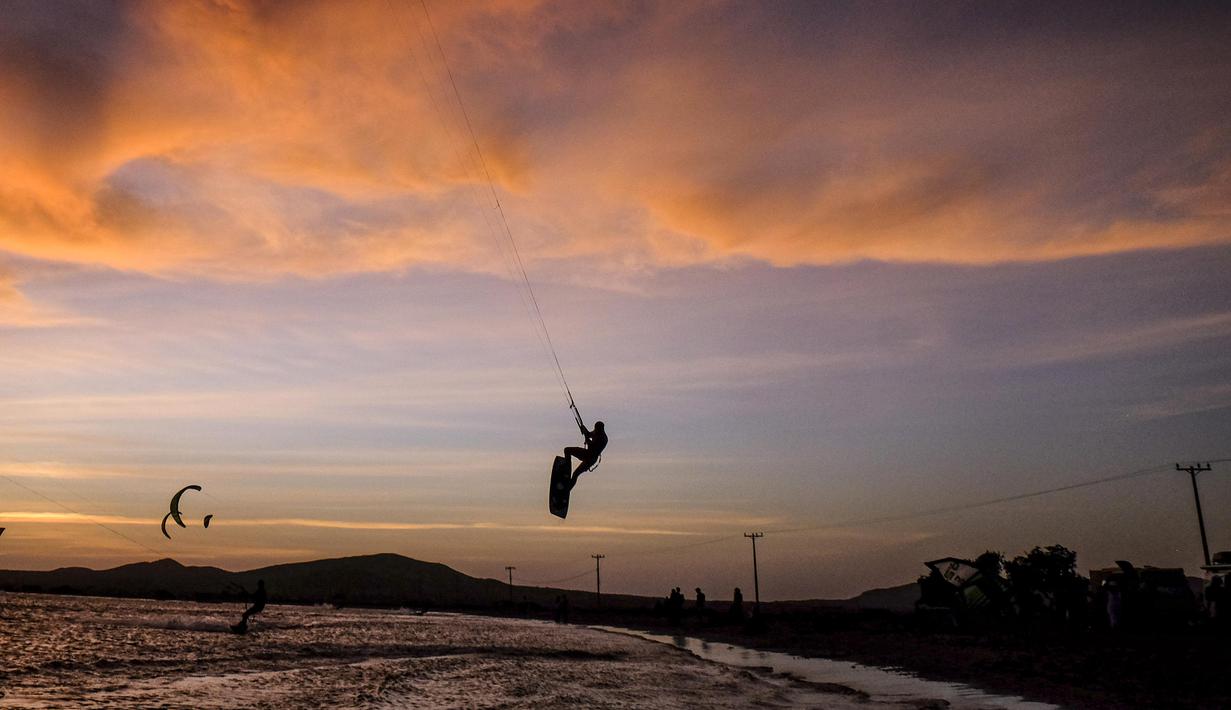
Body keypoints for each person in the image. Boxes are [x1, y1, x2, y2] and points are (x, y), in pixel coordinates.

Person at [564, 419, 607, 490]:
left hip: (591, 458)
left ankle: (567, 490)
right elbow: (589, 434)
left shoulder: (603, 439)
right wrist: (584, 429)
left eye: (597, 429)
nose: (595, 430)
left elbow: (592, 447)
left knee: (575, 474)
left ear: (601, 429)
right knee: (567, 450)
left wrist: (587, 438)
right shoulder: (596, 431)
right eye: (595, 428)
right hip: (587, 454)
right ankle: (566, 468)